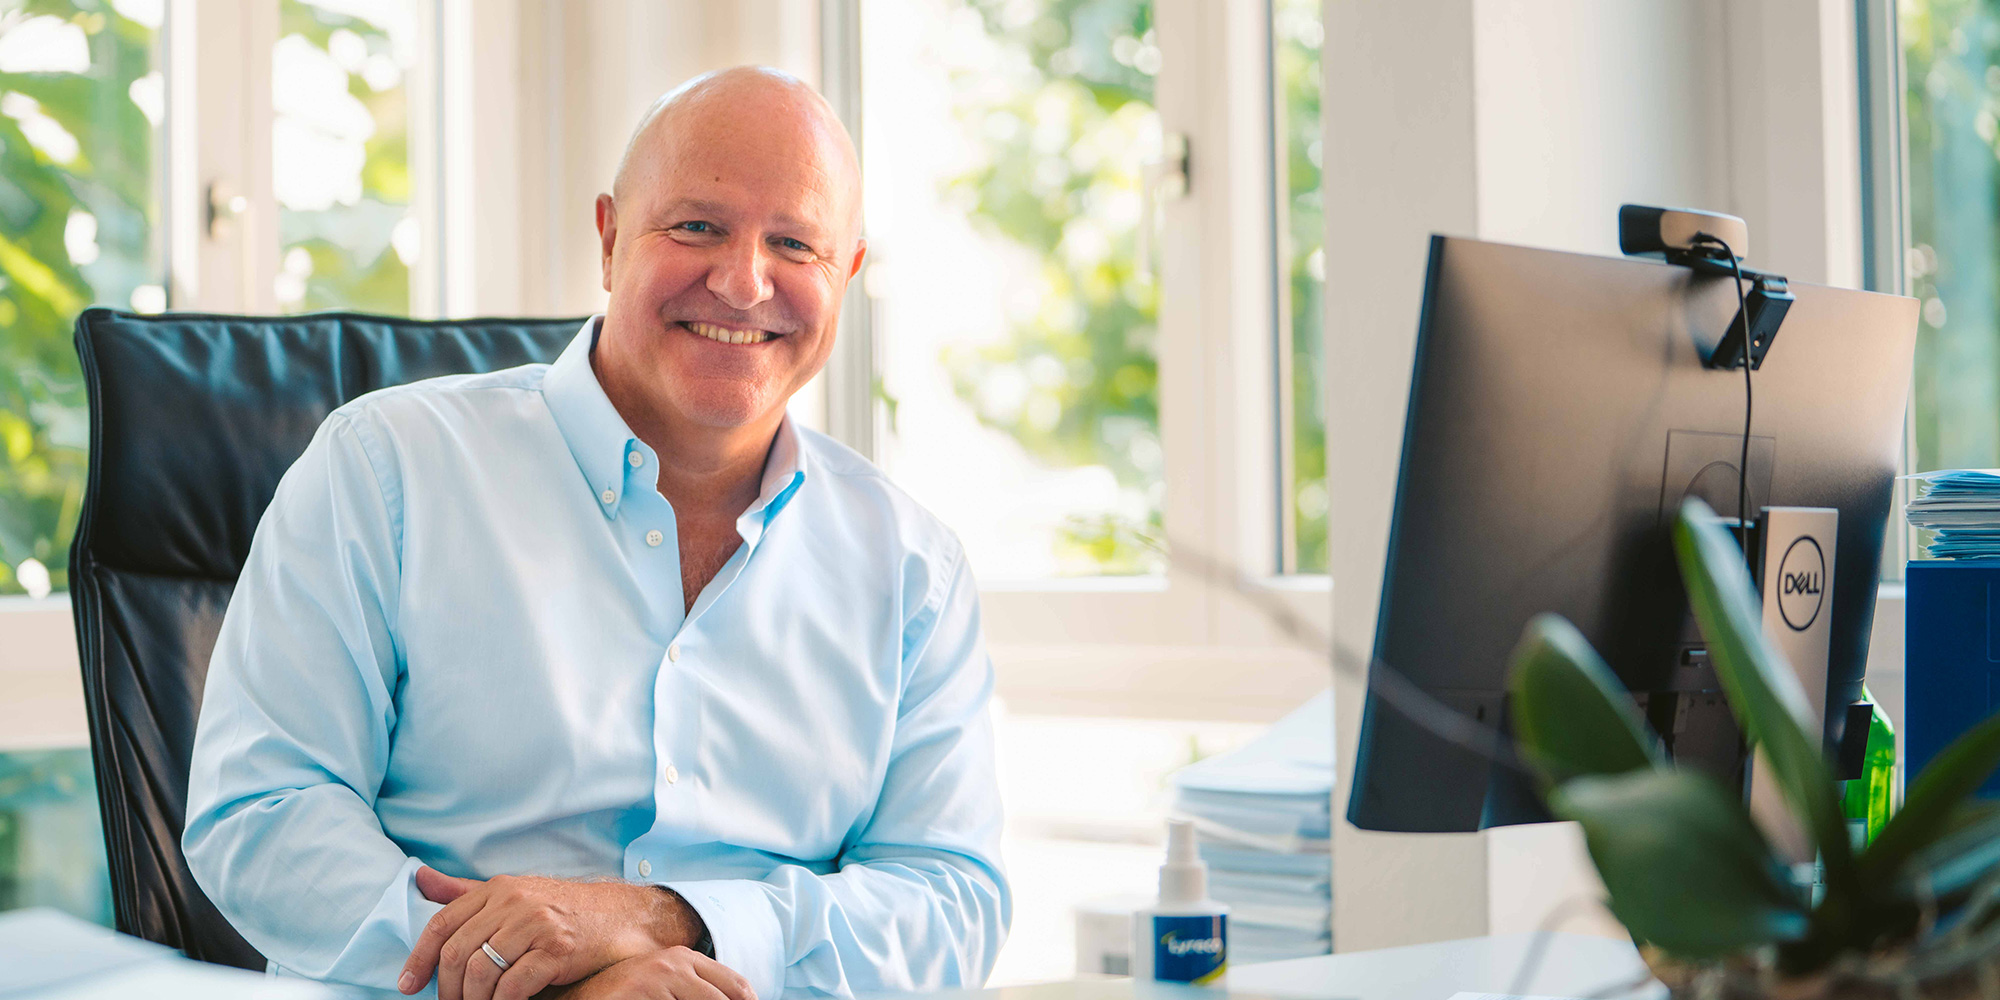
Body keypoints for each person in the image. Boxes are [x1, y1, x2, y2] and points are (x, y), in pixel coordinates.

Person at [182, 66, 1009, 1000]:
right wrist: (540, 979)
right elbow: (261, 815)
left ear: (846, 274)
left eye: (795, 243)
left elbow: (950, 899)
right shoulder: (387, 469)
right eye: (697, 225)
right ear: (610, 240)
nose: (743, 281)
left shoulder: (912, 568)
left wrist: (665, 920)